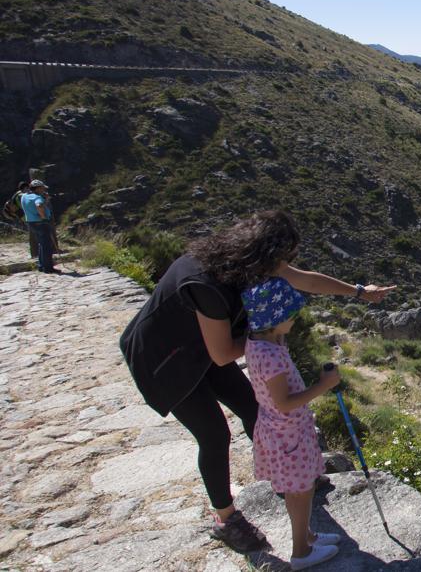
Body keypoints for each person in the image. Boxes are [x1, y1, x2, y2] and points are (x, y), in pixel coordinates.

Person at [119, 211, 394, 553]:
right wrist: (268, 338)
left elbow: (304, 280)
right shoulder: (205, 282)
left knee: (254, 407)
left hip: (201, 347)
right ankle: (226, 519)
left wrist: (358, 292)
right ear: (263, 254)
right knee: (215, 434)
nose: (286, 265)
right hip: (165, 361)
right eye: (282, 258)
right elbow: (222, 354)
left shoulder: (242, 262)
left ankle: (289, 477)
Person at [242, 276, 340, 569]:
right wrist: (325, 384)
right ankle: (301, 553)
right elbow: (284, 402)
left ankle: (307, 535)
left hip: (285, 430)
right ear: (275, 320)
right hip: (288, 434)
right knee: (299, 490)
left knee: (302, 487)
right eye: (291, 316)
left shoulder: (262, 340)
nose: (296, 320)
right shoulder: (270, 355)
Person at [20, 180, 56, 273]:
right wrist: (43, 217)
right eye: (42, 188)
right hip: (41, 223)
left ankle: (41, 265)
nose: (44, 189)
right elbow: (39, 205)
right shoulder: (37, 197)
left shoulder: (24, 196)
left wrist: (46, 200)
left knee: (41, 244)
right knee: (47, 245)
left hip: (31, 222)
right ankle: (48, 268)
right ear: (38, 188)